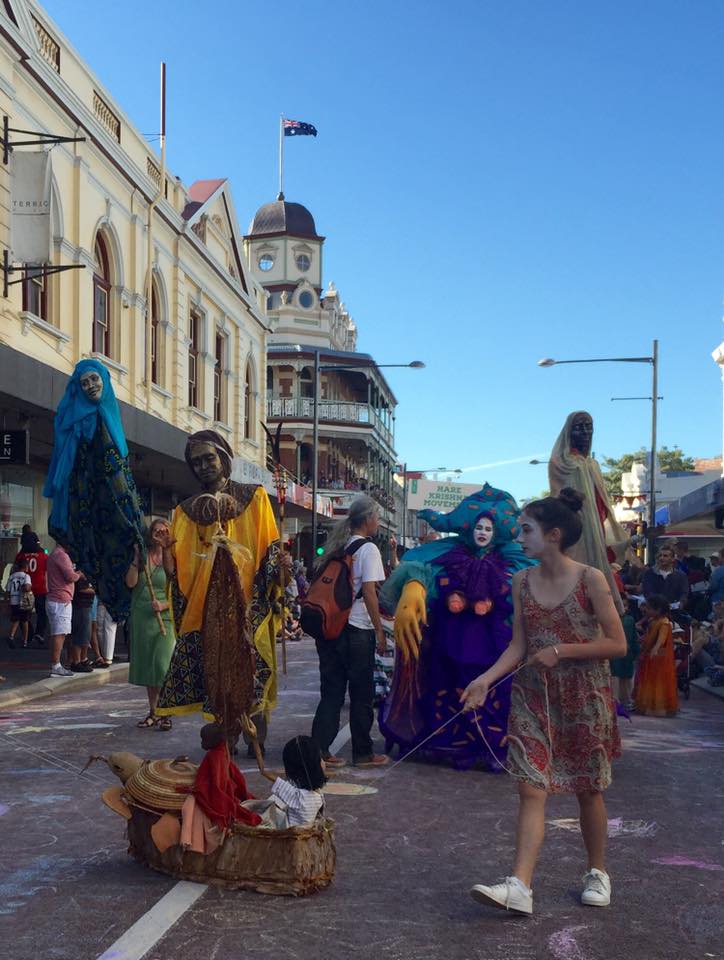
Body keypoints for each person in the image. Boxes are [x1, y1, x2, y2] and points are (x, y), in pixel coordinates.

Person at [461, 488, 625, 916]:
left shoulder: (591, 578)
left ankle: (597, 871)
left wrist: (563, 651)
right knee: (531, 789)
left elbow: (617, 643)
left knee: (588, 790)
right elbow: (519, 645)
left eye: (527, 529)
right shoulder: (521, 581)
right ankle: (520, 885)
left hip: (583, 700)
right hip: (533, 697)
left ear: (553, 535)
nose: (518, 536)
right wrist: (484, 681)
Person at [379, 483, 532, 771]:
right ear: (469, 529)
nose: (483, 533)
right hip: (449, 638)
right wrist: (415, 586)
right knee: (444, 685)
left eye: (488, 528)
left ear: (496, 532)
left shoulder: (513, 559)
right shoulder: (448, 554)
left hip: (491, 643)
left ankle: (487, 747)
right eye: (479, 527)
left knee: (492, 691)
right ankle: (444, 744)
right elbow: (422, 569)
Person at [155, 431, 281, 750]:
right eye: (195, 462)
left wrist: (280, 567)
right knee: (217, 676)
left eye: (209, 458)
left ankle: (256, 738)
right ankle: (227, 737)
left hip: (248, 605)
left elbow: (270, 549)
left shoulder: (254, 498)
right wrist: (167, 552)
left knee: (255, 671)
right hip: (207, 610)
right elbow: (179, 573)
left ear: (224, 458)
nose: (203, 466)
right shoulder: (185, 511)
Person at [43, 359, 145, 622]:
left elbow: (119, 470)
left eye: (95, 379)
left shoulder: (109, 414)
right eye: (84, 382)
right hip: (84, 499)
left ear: (105, 381)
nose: (90, 386)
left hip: (110, 499)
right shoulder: (74, 416)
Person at [311, 495, 389, 769]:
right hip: (357, 629)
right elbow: (369, 592)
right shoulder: (368, 550)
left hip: (331, 628)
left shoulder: (340, 546)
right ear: (367, 520)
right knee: (361, 693)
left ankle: (319, 751)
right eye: (377, 517)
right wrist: (379, 630)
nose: (378, 522)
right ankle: (363, 752)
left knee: (331, 692)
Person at [548, 411, 628, 612]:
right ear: (568, 431)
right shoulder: (561, 462)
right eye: (578, 427)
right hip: (575, 532)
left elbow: (602, 503)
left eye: (588, 426)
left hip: (596, 531)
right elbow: (559, 498)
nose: (585, 431)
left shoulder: (593, 465)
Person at [127, 519, 177, 730]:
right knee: (149, 667)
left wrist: (165, 604)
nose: (159, 534)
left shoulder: (173, 557)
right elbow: (130, 583)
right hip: (142, 616)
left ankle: (166, 711)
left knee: (162, 665)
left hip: (166, 617)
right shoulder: (143, 556)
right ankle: (154, 711)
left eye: (163, 531)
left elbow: (180, 588)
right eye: (155, 531)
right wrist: (136, 559)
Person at [634, 594, 678, 717]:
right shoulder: (653, 621)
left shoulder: (664, 622)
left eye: (648, 608)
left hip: (658, 658)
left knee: (657, 682)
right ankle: (648, 706)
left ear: (658, 610)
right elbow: (649, 636)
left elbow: (661, 639)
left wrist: (655, 649)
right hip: (650, 656)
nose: (645, 610)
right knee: (649, 680)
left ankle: (657, 708)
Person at [269, 735, 327, 827]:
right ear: (314, 768)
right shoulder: (304, 797)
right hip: (295, 838)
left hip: (294, 838)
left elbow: (269, 776)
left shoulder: (300, 796)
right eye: (320, 759)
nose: (324, 762)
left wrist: (255, 741)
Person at [46, 541, 81, 677]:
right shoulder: (61, 555)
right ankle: (56, 665)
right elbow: (70, 576)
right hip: (61, 600)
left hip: (55, 599)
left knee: (57, 633)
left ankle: (56, 663)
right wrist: (79, 573)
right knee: (60, 634)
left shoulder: (54, 555)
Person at [15, 530, 48, 647]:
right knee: (42, 612)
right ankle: (39, 633)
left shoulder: (20, 556)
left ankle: (28, 634)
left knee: (24, 613)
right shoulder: (43, 555)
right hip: (40, 588)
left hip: (24, 589)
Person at [610, 597, 640, 709]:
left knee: (627, 676)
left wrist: (636, 651)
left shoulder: (630, 620)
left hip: (627, 652)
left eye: (625, 605)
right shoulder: (609, 619)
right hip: (613, 652)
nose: (622, 608)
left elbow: (633, 637)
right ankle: (615, 701)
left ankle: (626, 700)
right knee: (615, 675)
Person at [641, 546, 689, 610]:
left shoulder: (681, 576)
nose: (661, 558)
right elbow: (647, 592)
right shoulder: (649, 574)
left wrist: (682, 602)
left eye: (665, 556)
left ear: (672, 559)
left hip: (674, 611)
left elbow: (684, 593)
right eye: (660, 555)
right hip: (655, 611)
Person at [68, 574, 95, 672]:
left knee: (85, 634)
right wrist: (95, 591)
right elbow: (80, 589)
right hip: (80, 606)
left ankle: (83, 659)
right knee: (80, 634)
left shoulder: (88, 575)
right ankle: (76, 661)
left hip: (86, 606)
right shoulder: (79, 575)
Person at [7, 558, 33, 649]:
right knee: (25, 621)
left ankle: (11, 636)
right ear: (25, 567)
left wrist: (7, 602)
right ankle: (25, 641)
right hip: (23, 602)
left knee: (16, 620)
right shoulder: (26, 576)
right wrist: (29, 588)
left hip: (13, 601)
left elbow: (8, 590)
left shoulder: (12, 576)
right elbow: (27, 588)